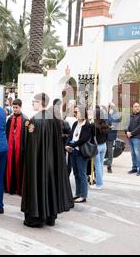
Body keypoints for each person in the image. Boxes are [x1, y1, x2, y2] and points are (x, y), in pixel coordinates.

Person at [22, 93, 74, 227]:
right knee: (50, 186)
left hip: (38, 162)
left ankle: (36, 218)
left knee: (38, 186)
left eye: (34, 101)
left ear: (40, 102)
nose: (33, 103)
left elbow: (31, 145)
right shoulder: (54, 119)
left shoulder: (34, 119)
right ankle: (51, 216)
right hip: (52, 161)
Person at [66, 105, 93, 203]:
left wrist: (72, 146)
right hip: (73, 152)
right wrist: (67, 145)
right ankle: (77, 193)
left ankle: (83, 195)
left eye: (77, 112)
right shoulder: (75, 124)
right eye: (75, 112)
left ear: (82, 113)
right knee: (76, 173)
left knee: (82, 174)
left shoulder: (88, 125)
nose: (75, 114)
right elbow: (70, 135)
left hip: (82, 153)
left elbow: (83, 139)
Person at [5, 98, 28, 196]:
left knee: (19, 168)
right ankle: (10, 187)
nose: (14, 109)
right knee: (10, 167)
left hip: (20, 149)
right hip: (10, 148)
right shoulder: (10, 119)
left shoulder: (25, 119)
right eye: (13, 107)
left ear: (20, 107)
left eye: (16, 107)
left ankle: (19, 189)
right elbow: (6, 133)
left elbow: (27, 135)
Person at [126, 102, 140, 176]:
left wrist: (131, 133)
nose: (137, 108)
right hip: (130, 137)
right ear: (133, 108)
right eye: (135, 106)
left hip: (137, 137)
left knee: (137, 153)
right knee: (133, 153)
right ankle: (134, 168)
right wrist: (127, 132)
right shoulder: (130, 116)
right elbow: (126, 125)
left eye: (138, 106)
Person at [91, 106, 109, 189]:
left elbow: (92, 137)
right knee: (100, 164)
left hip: (97, 146)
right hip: (104, 145)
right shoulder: (105, 124)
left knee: (97, 165)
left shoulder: (94, 125)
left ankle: (99, 184)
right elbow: (107, 136)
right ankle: (101, 181)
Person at [106, 102, 121, 174]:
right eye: (109, 106)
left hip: (111, 136)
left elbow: (113, 124)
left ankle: (109, 166)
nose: (110, 108)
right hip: (103, 135)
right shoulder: (105, 114)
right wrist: (108, 126)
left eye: (112, 106)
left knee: (110, 151)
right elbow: (105, 123)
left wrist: (108, 125)